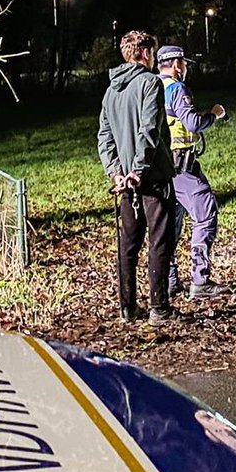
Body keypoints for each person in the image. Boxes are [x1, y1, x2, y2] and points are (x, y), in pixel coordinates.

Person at [98, 30, 179, 326]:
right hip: (152, 176)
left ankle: (127, 308)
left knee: (128, 244)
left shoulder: (111, 91)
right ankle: (159, 308)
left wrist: (116, 172)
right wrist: (138, 169)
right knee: (159, 241)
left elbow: (104, 138)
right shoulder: (150, 83)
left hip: (126, 182)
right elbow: (150, 130)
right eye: (153, 52)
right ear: (145, 53)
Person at [156, 45, 228, 299]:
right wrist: (214, 115)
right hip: (183, 166)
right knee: (206, 213)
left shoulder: (154, 88)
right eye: (182, 63)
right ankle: (200, 280)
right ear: (176, 64)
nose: (184, 68)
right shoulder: (177, 89)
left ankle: (169, 280)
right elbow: (192, 123)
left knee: (171, 225)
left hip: (163, 168)